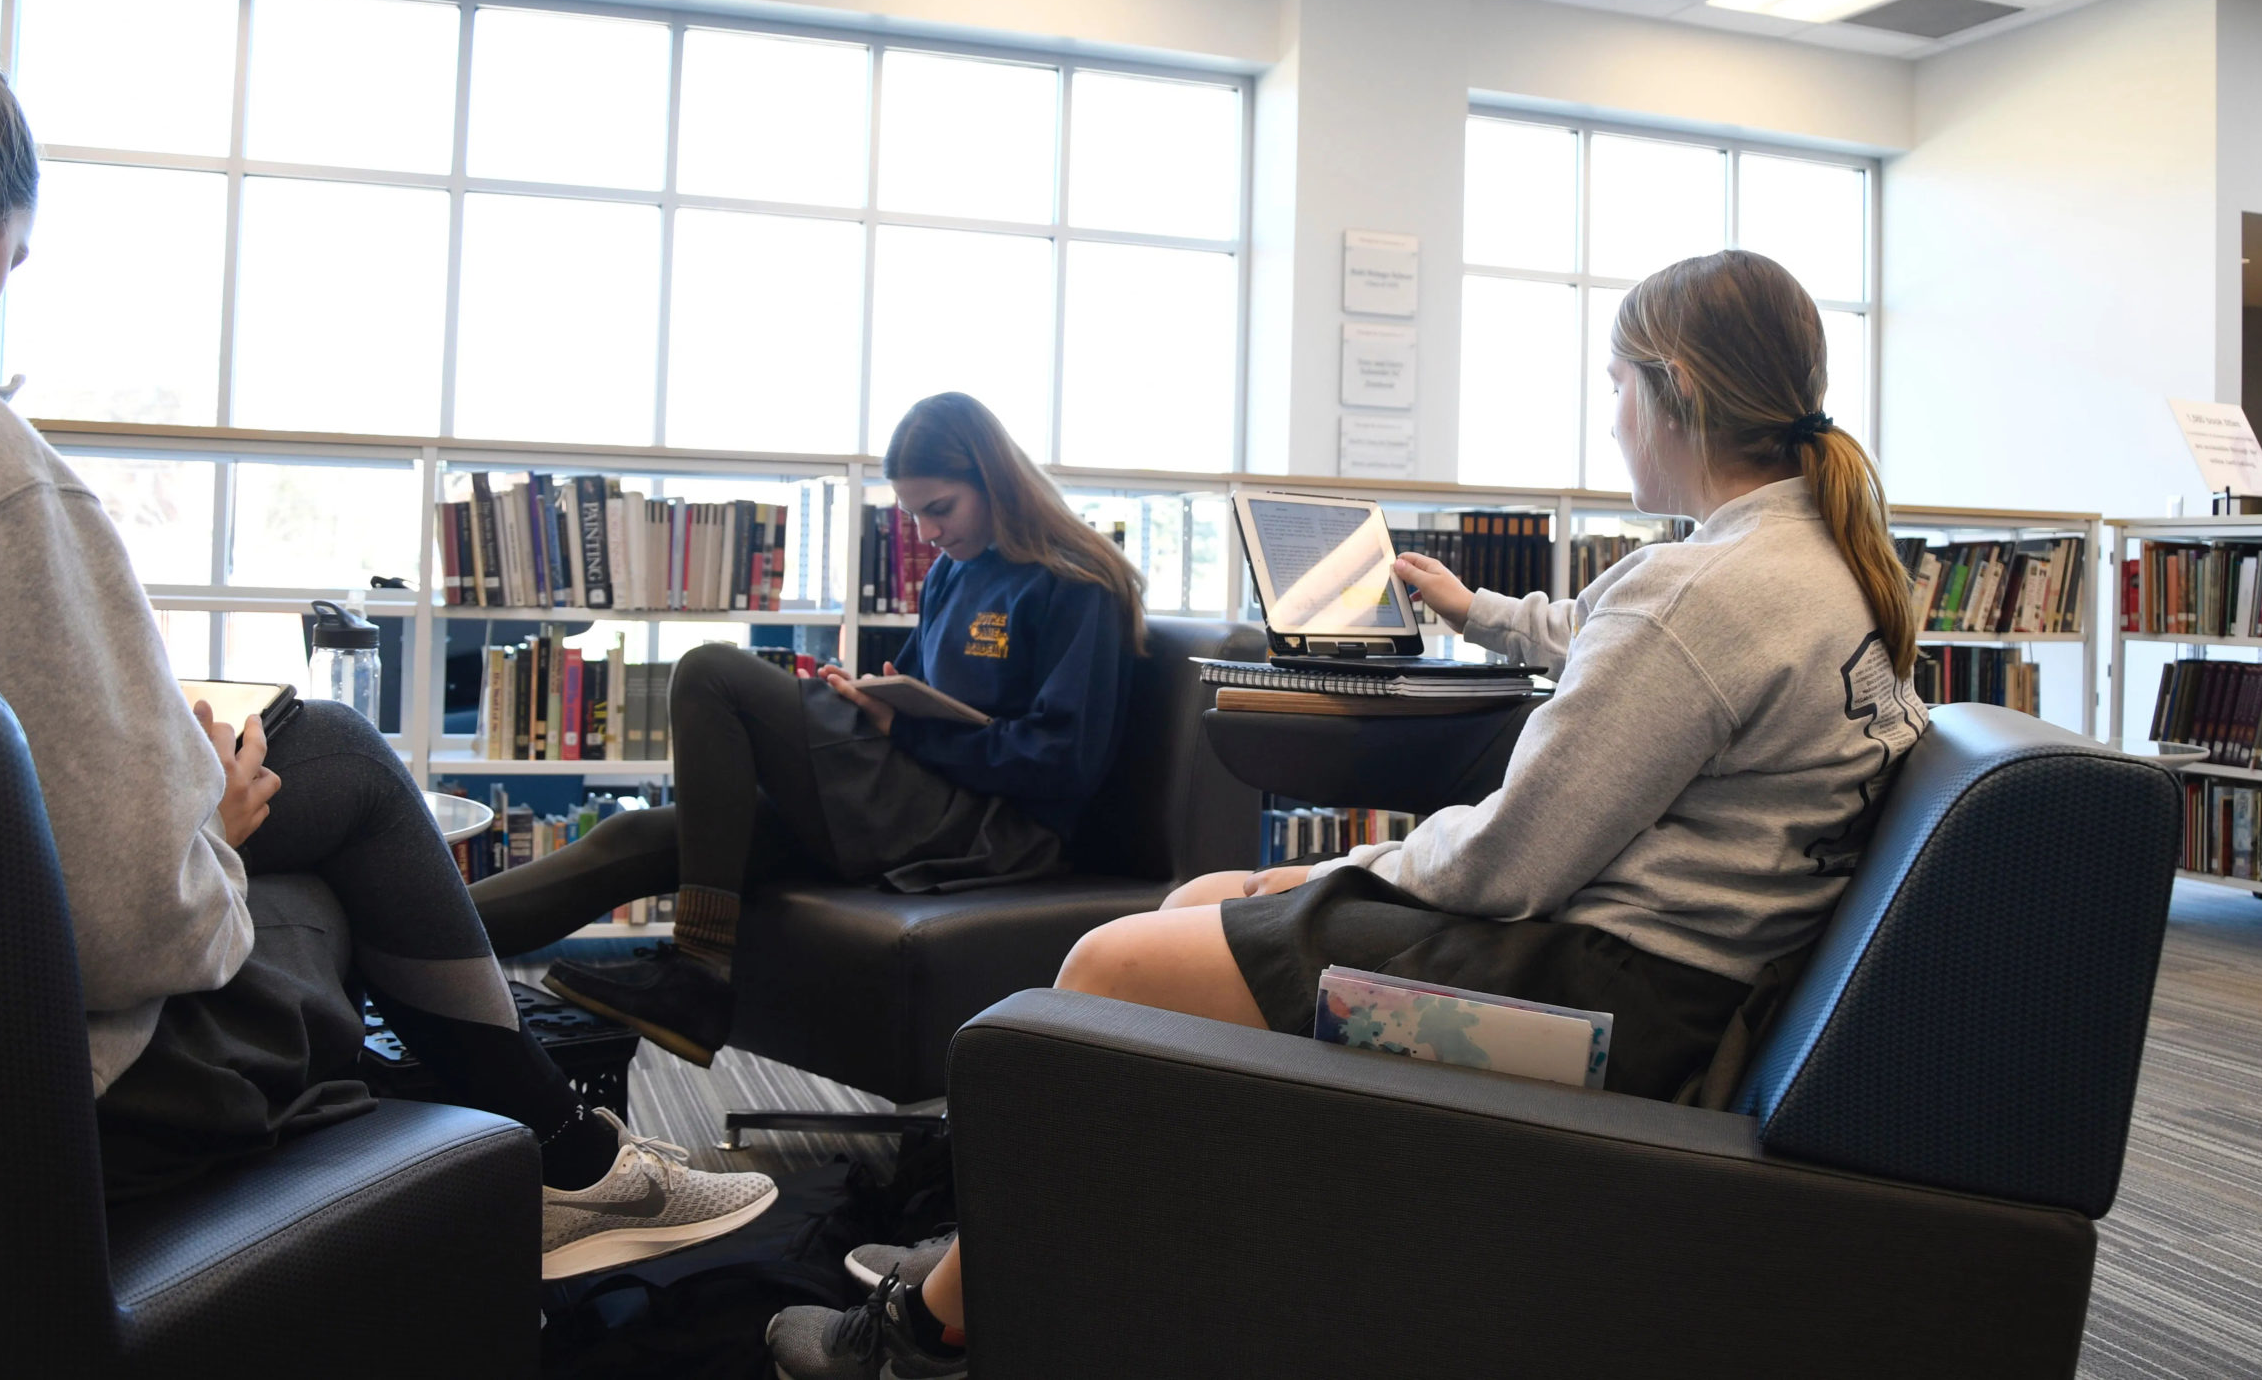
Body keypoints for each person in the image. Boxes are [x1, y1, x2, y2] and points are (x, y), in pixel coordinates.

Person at [764, 247, 1932, 1379]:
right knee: (1201, 899)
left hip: (1603, 1008)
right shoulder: (1799, 562)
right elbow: (1606, 645)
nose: (1612, 416)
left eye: (1617, 387)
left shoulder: (1703, 594)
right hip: (1660, 980)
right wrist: (1472, 613)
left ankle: (929, 1336)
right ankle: (1075, 1255)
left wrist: (1345, 869)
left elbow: (1510, 864)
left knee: (1112, 968)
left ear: (1672, 392)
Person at [0, 0, 773, 1280]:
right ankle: (557, 1162)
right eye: (11, 261)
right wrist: (207, 829)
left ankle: (558, 1153)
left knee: (335, 763)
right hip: (18, 1089)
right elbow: (143, 927)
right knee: (318, 855)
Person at [474, 391, 1144, 1067]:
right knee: (638, 837)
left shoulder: (1077, 581)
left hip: (1000, 830)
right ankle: (395, 941)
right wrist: (867, 696)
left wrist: (908, 731)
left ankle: (699, 971)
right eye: (913, 515)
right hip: (922, 797)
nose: (927, 535)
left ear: (995, 478)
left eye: (940, 509)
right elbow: (919, 698)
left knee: (710, 673)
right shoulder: (952, 573)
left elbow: (1061, 761)